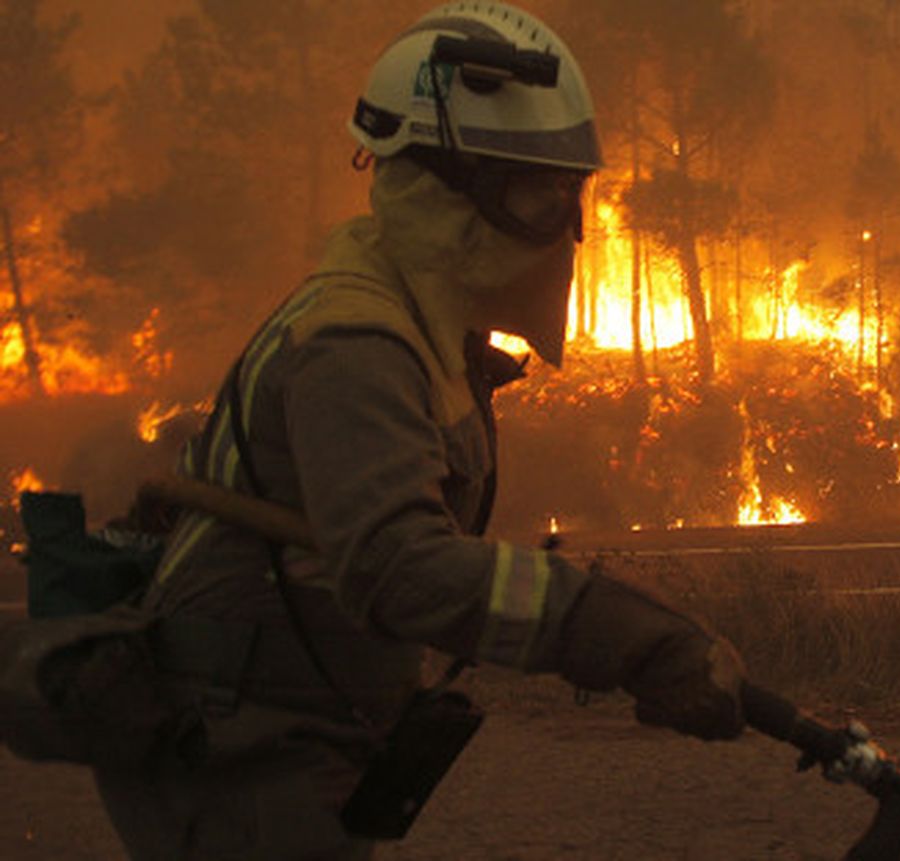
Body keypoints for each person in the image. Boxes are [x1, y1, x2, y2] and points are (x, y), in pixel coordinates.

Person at [92, 3, 746, 858]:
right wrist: (622, 634)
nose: (563, 225)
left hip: (292, 721)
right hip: (237, 742)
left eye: (568, 193)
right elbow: (399, 567)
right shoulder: (356, 344)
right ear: (443, 191)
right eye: (535, 194)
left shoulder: (418, 322)